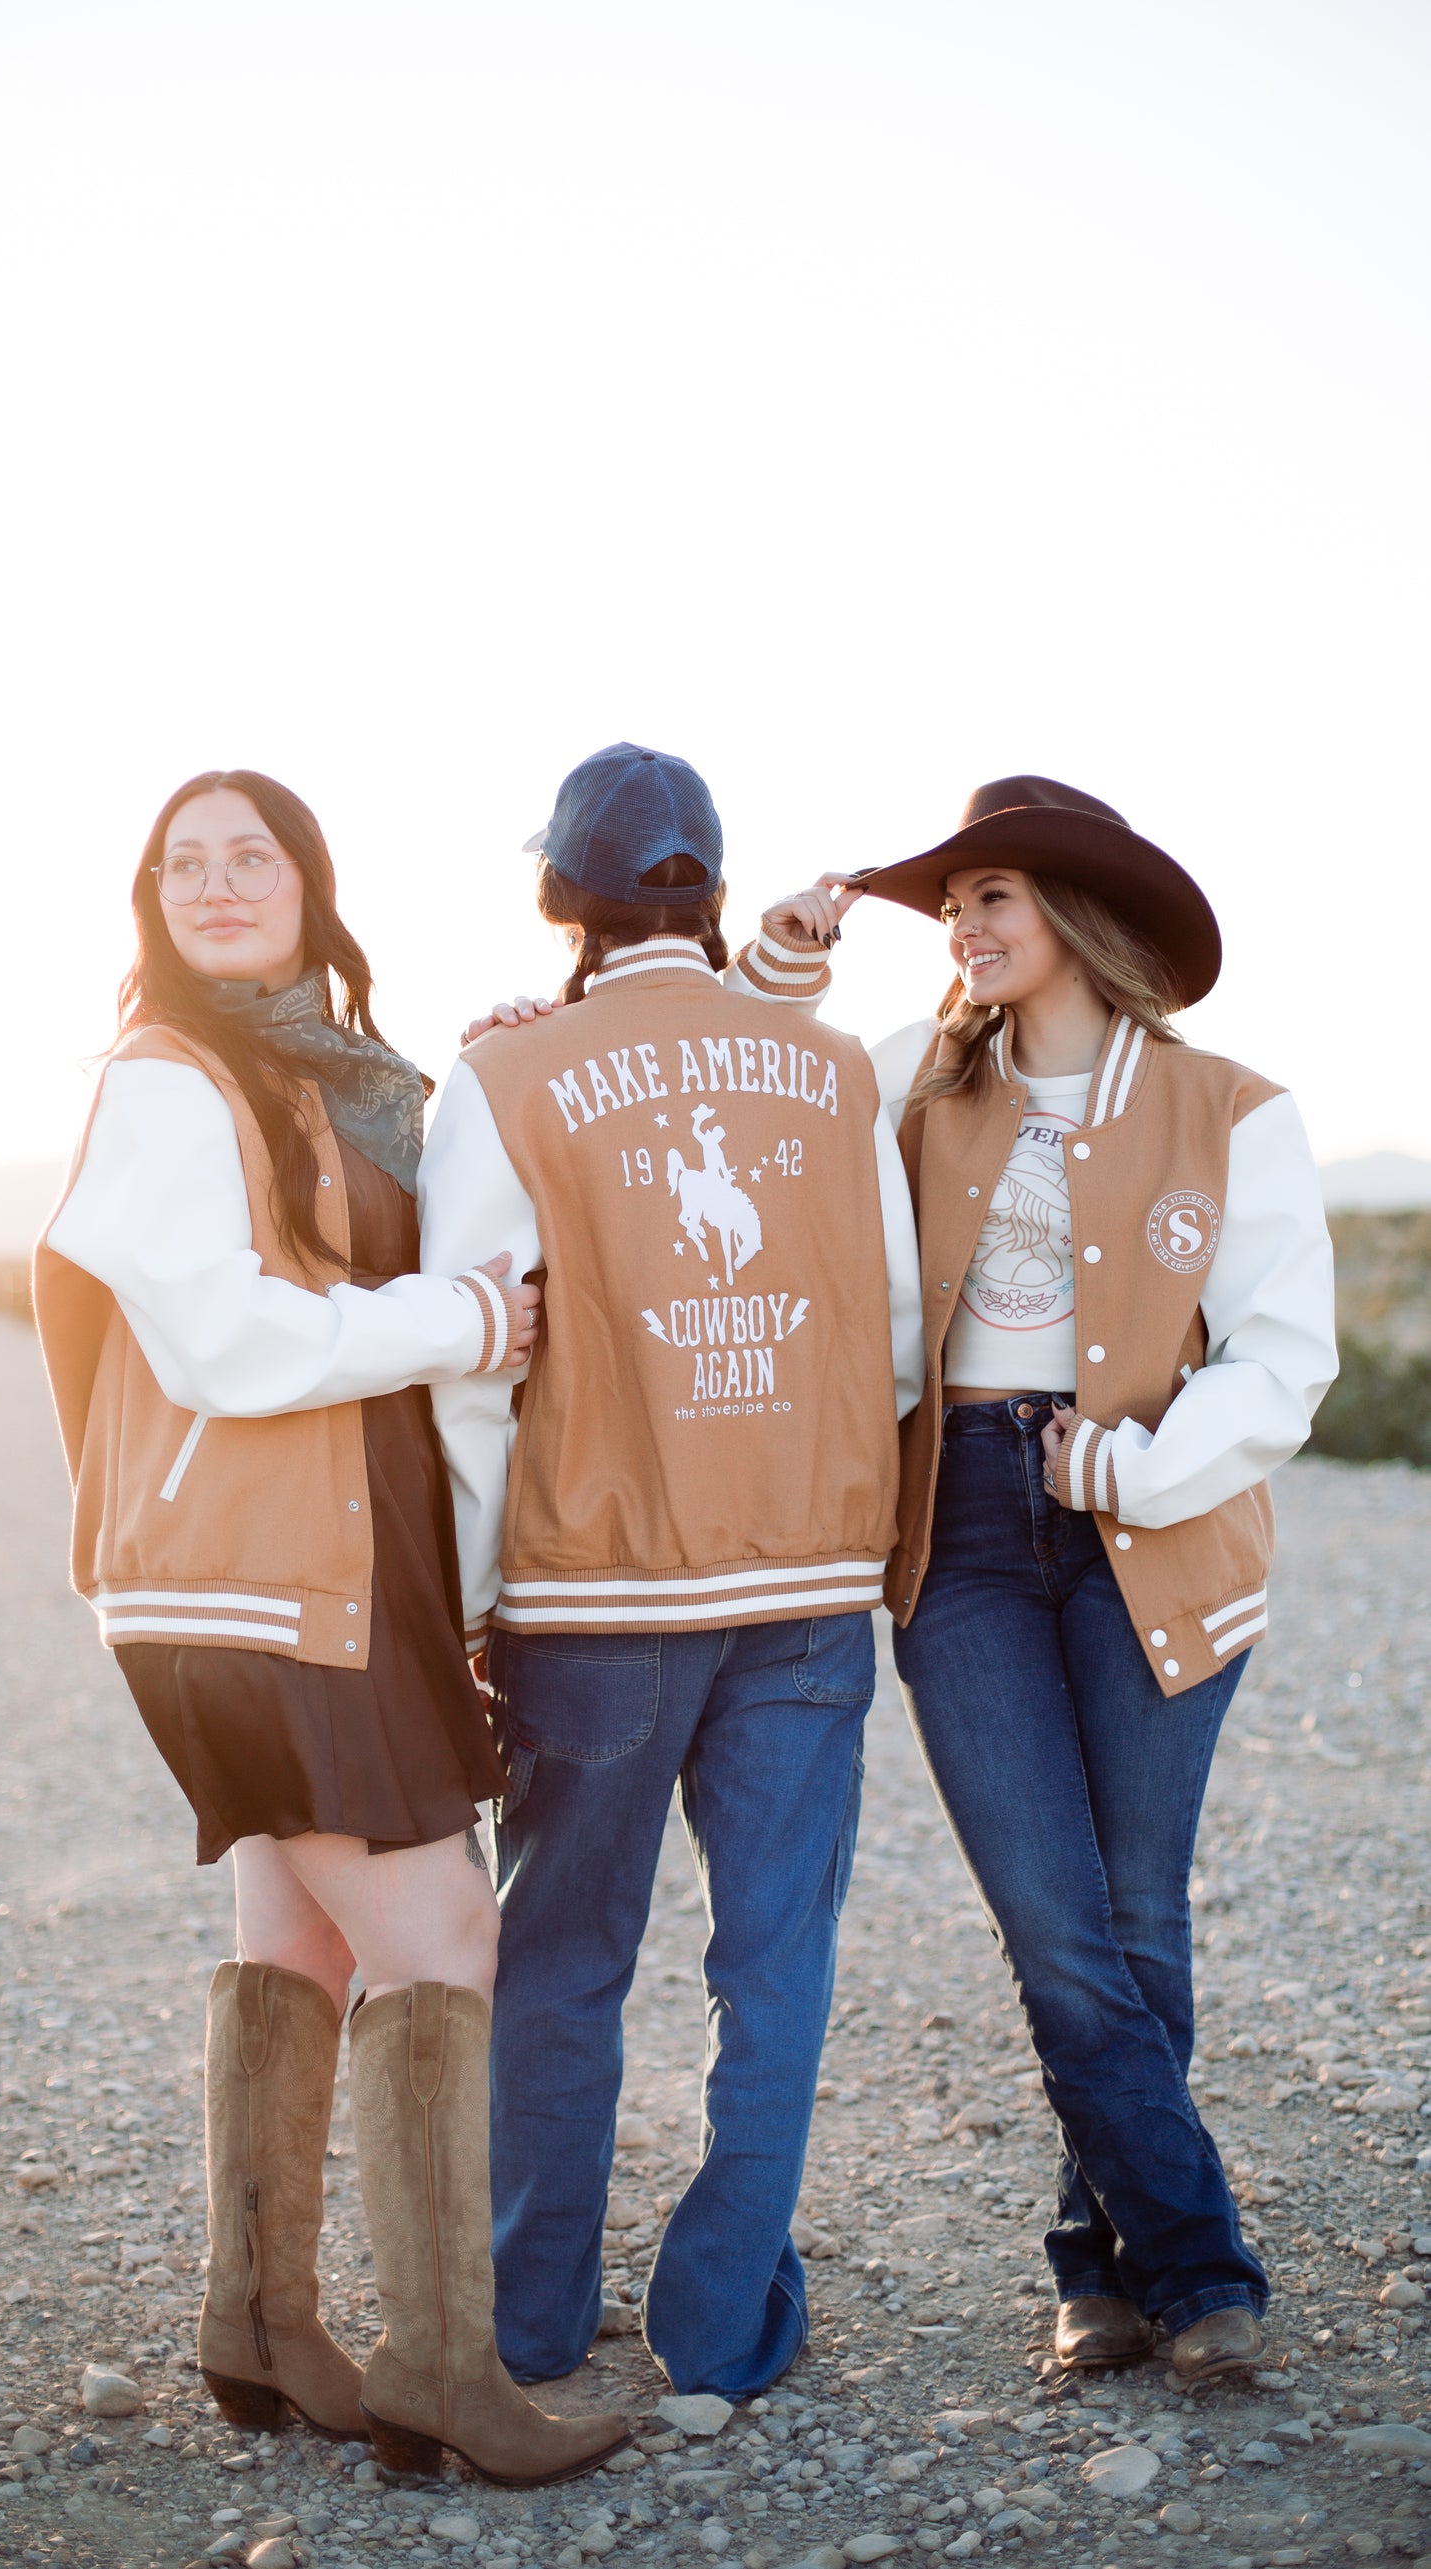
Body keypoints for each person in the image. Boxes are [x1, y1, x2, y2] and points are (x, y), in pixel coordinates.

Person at [34, 769, 626, 2483]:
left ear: (309, 880)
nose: (219, 883)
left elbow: (390, 1205)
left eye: (253, 854)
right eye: (183, 863)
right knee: (446, 1932)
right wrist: (458, 1317)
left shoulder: (314, 1073)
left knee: (296, 1934)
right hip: (251, 1581)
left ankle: (262, 2321)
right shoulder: (165, 1080)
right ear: (150, 899)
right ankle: (447, 2369)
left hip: (312, 1574)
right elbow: (225, 1344)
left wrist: (502, 1056)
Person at [418, 740, 925, 2398]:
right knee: (774, 1962)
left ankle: (532, 2322)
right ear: (706, 892)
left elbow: (469, 1376)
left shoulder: (501, 1078)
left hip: (595, 1598)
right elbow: (901, 1338)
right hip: (802, 1586)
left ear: (559, 897)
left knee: (561, 1963)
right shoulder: (833, 1070)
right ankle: (716, 2326)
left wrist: (476, 1595)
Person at [822, 773, 1336, 2384]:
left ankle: (1097, 2273)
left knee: (1131, 1915)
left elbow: (1282, 1358)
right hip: (960, 1531)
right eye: (952, 901)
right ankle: (1199, 2269)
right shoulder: (913, 1085)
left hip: (1152, 1522)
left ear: (1076, 916)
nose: (963, 928)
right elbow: (770, 1125)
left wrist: (1128, 1464)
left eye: (993, 896)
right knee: (1056, 1922)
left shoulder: (1234, 1107)